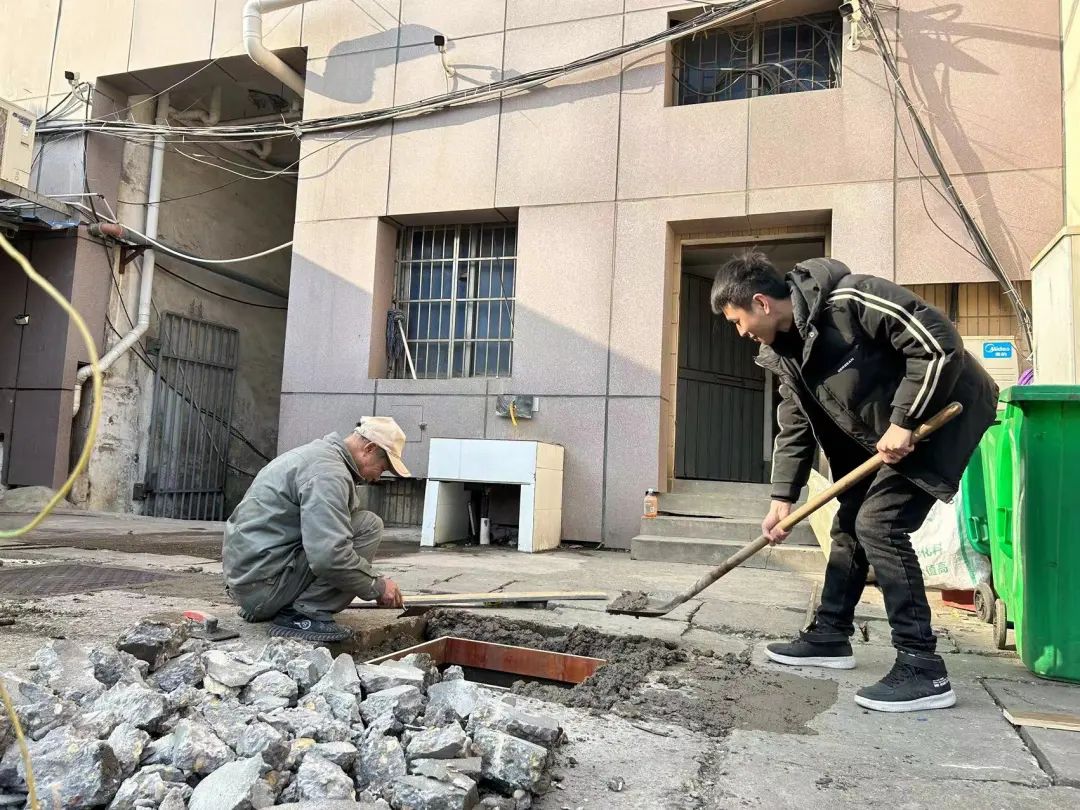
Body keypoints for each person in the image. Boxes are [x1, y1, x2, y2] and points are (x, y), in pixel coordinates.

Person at [711, 251, 997, 712]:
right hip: (885, 433)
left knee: (880, 524)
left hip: (944, 411)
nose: (740, 332)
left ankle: (922, 667)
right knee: (849, 523)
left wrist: (905, 420)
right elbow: (796, 423)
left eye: (736, 321)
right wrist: (782, 498)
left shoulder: (850, 300)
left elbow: (937, 343)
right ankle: (830, 635)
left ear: (760, 303)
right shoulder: (783, 353)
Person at [223, 416, 409, 643]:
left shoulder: (314, 456)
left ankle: (270, 603)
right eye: (382, 468)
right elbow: (329, 557)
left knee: (350, 524)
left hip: (249, 583)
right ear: (369, 449)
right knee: (369, 526)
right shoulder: (329, 474)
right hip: (263, 590)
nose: (378, 477)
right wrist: (377, 585)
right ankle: (304, 613)